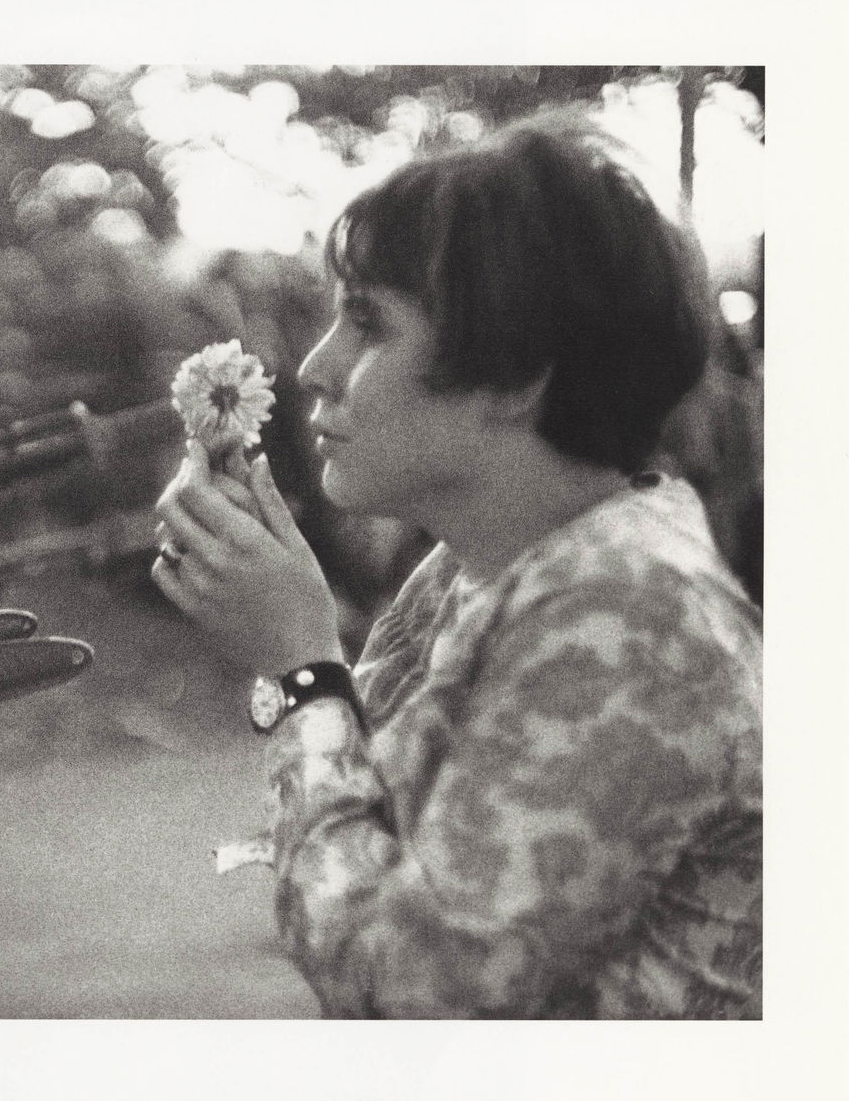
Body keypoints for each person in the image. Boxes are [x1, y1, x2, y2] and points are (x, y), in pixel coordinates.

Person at [152, 115, 761, 1019]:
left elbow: (414, 990)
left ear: (517, 376)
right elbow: (369, 828)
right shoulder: (477, 569)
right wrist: (286, 632)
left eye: (368, 324)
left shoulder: (631, 613)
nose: (318, 367)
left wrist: (298, 670)